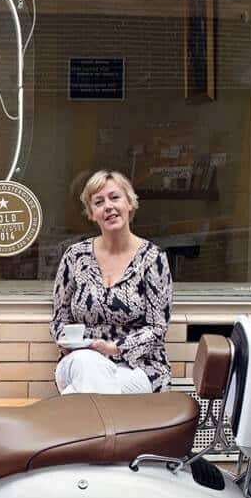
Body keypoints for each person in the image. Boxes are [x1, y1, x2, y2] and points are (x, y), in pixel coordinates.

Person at [50, 169, 172, 395]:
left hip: (138, 367)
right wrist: (65, 340)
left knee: (77, 393)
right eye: (99, 202)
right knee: (87, 362)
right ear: (91, 213)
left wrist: (114, 348)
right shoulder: (75, 256)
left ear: (129, 203)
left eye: (115, 197)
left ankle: (77, 414)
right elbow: (60, 318)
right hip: (79, 361)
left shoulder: (153, 258)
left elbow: (157, 328)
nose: (108, 206)